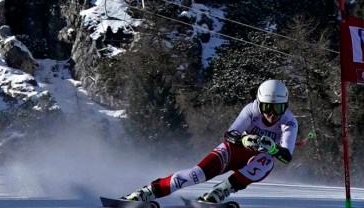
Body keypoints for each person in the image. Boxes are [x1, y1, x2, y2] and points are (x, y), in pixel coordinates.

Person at [125, 80, 298, 204]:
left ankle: (220, 192)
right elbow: (230, 134)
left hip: (256, 159)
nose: (272, 114)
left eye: (278, 108)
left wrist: (274, 148)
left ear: (286, 105)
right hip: (234, 150)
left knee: (266, 161)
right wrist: (244, 139)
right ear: (259, 104)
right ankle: (146, 192)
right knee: (196, 175)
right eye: (267, 107)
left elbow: (286, 156)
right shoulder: (251, 110)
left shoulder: (289, 121)